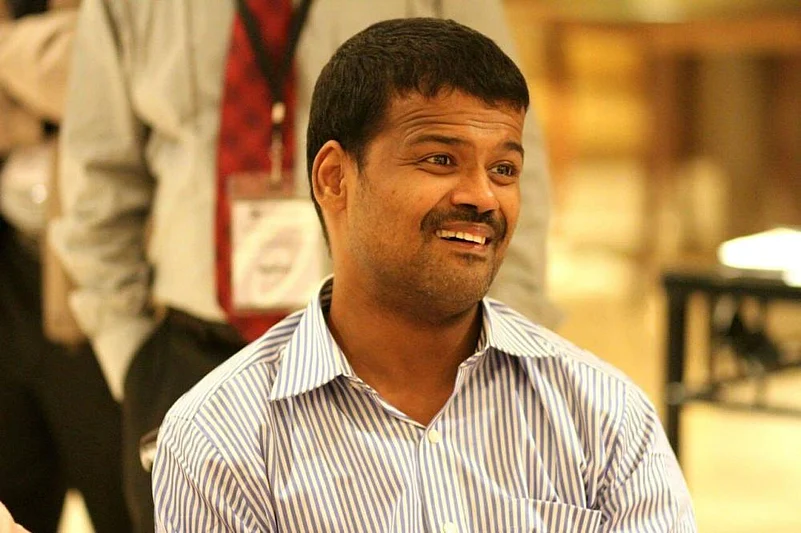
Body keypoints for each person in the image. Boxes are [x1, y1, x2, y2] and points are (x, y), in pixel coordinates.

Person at [152, 17, 696, 532]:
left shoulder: (602, 415)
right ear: (335, 179)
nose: (483, 197)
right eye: (440, 160)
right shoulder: (222, 438)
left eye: (504, 169)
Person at [50, 1, 557, 530]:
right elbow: (98, 182)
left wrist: (495, 373)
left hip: (386, 371)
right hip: (188, 359)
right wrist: (133, 360)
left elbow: (501, 161)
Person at [0, 2, 131, 531]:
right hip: (11, 272)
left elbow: (90, 75)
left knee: (120, 500)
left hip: (93, 292)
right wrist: (39, 95)